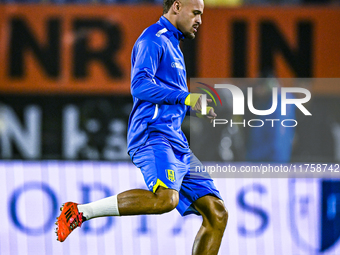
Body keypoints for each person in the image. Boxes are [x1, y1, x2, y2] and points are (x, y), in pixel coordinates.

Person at [55, 0, 228, 254]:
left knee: (217, 212)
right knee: (166, 199)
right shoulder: (153, 40)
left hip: (175, 139)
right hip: (152, 134)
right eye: (196, 13)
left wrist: (192, 104)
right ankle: (80, 212)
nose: (200, 20)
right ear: (176, 7)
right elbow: (139, 86)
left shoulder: (173, 45)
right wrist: (186, 97)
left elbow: (169, 96)